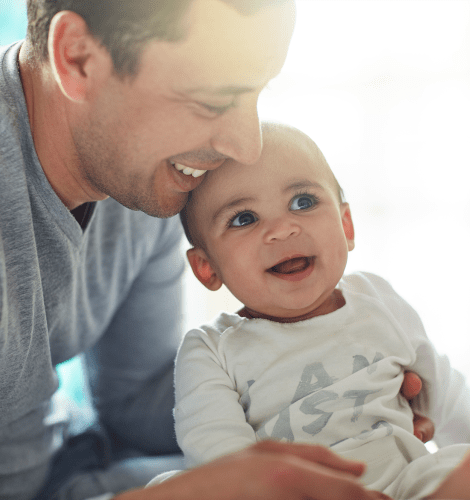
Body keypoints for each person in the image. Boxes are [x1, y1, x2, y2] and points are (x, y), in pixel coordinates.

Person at [0, 0, 433, 498]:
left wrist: (320, 381)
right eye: (213, 102)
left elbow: (131, 398)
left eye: (258, 91)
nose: (245, 146)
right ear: (79, 58)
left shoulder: (141, 175)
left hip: (73, 469)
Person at [152, 122, 470, 499]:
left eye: (303, 202)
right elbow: (219, 454)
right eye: (244, 218)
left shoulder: (377, 299)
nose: (282, 229)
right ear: (208, 267)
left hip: (405, 483)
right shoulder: (211, 349)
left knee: (455, 463)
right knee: (171, 488)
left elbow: (445, 396)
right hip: (294, 492)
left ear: (346, 224)